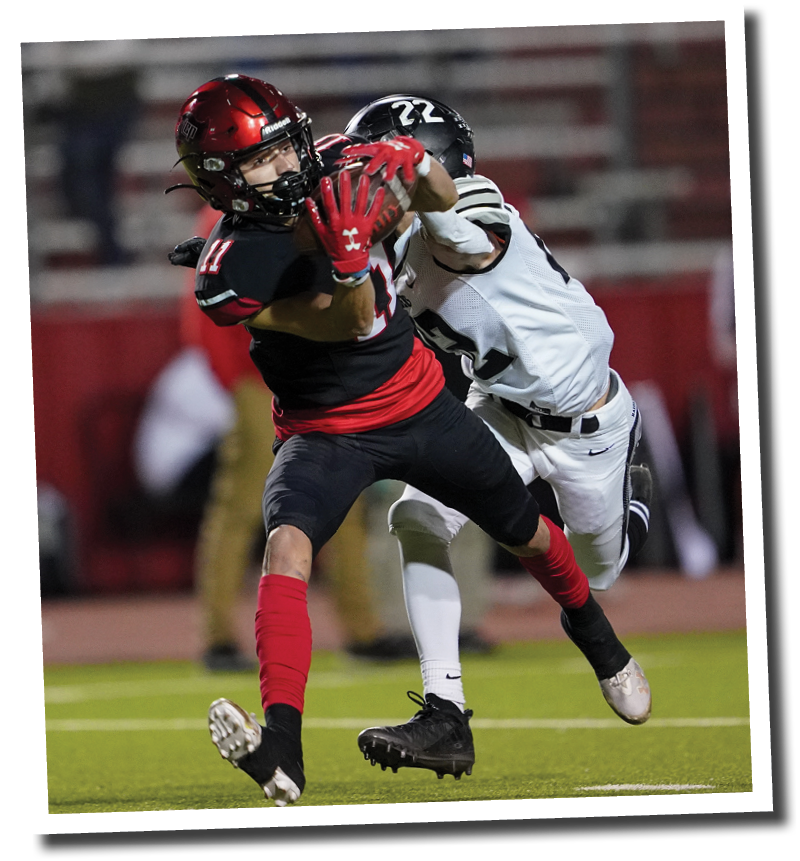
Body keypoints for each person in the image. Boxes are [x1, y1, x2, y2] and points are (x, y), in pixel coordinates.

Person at [166, 74, 649, 807]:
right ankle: (291, 747)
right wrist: (354, 258)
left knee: (537, 538)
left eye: (283, 145)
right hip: (328, 431)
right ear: (225, 181)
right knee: (294, 544)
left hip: (429, 405)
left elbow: (445, 199)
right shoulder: (229, 272)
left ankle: (600, 637)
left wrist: (412, 168)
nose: (287, 165)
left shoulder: (349, 167)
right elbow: (346, 323)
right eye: (262, 160)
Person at [342, 95, 653, 772]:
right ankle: (443, 711)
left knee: (601, 570)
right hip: (502, 405)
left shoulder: (468, 209)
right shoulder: (390, 241)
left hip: (586, 420)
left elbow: (461, 235)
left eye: (376, 169)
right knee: (417, 513)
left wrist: (415, 181)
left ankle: (629, 485)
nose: (360, 188)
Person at [176, 205, 405, 671]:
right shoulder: (227, 212)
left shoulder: (286, 204)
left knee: (343, 500)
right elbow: (208, 310)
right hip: (261, 378)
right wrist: (238, 382)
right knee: (242, 505)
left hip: (312, 375)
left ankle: (362, 629)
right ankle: (218, 635)